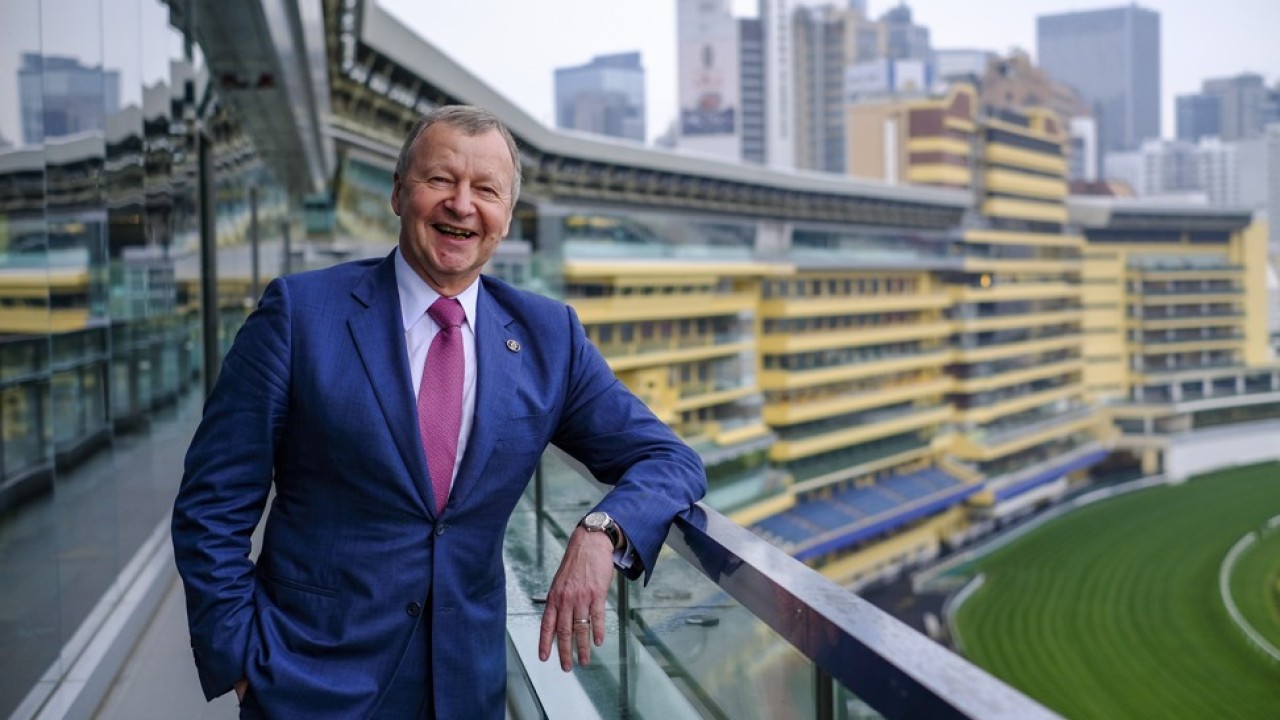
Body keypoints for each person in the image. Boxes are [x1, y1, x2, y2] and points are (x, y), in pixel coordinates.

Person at [171, 104, 706, 719]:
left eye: (486, 190)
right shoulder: (299, 316)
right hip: (304, 684)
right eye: (440, 180)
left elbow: (669, 458)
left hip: (464, 692)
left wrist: (600, 531)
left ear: (506, 217)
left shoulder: (547, 337)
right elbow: (210, 506)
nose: (462, 204)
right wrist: (242, 663)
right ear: (399, 194)